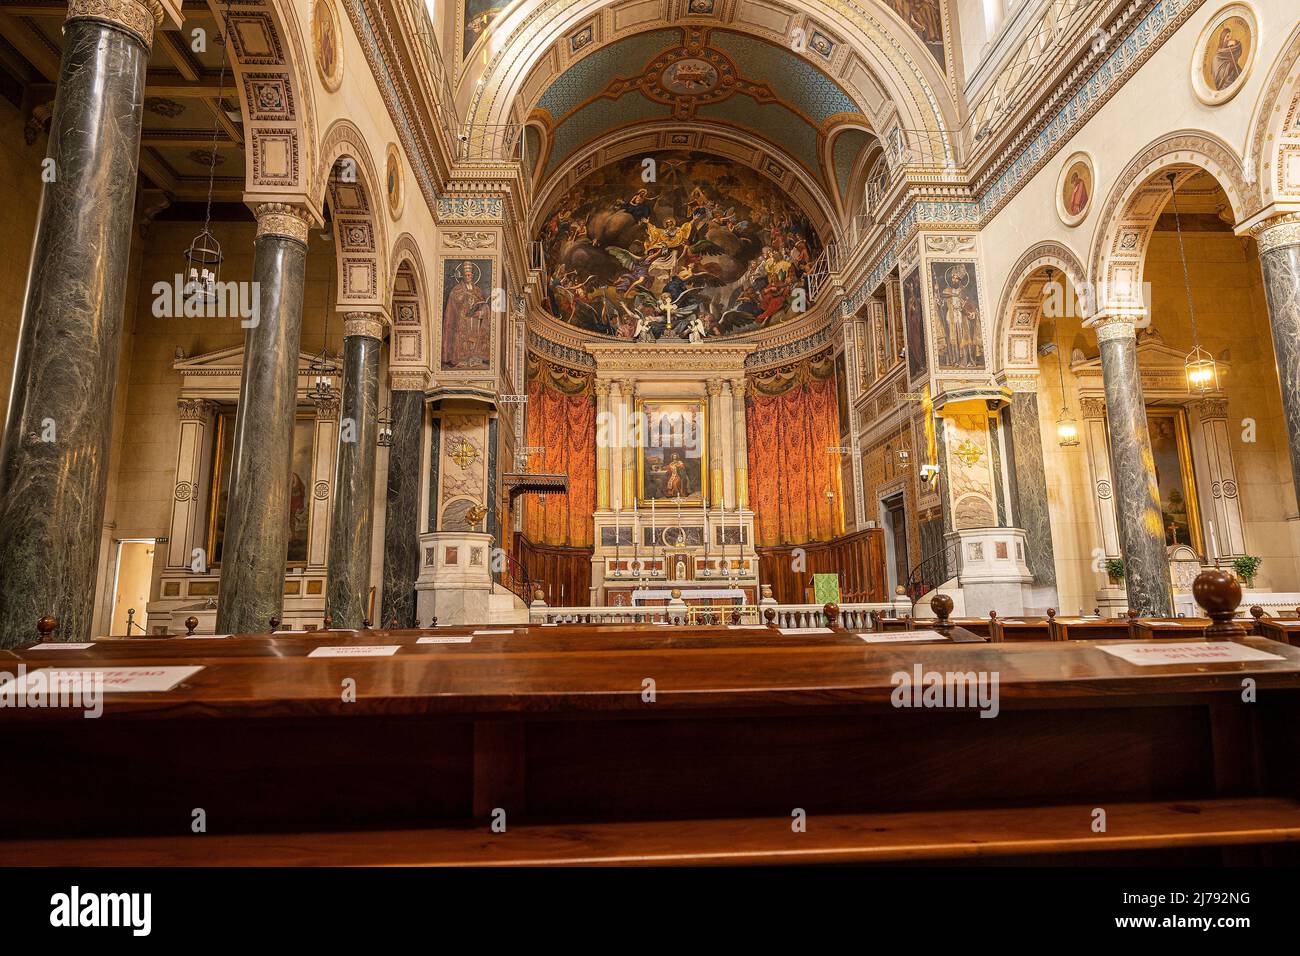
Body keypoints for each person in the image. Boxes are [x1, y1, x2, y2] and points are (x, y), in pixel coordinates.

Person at [442, 261, 489, 368]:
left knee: (475, 339)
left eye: (470, 275)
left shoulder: (477, 290)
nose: (468, 277)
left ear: (472, 275)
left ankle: (474, 359)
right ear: (463, 276)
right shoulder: (457, 289)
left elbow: (483, 304)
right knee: (463, 338)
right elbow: (453, 302)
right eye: (466, 275)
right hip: (462, 319)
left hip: (475, 319)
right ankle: (461, 359)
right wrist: (463, 302)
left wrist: (481, 312)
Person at [1211, 25, 1243, 91]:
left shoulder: (1229, 50)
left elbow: (1238, 50)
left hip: (1235, 77)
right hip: (1225, 85)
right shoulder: (1217, 57)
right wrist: (1230, 66)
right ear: (1223, 39)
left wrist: (1235, 42)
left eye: (1229, 36)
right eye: (1227, 37)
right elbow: (1218, 76)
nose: (1229, 39)